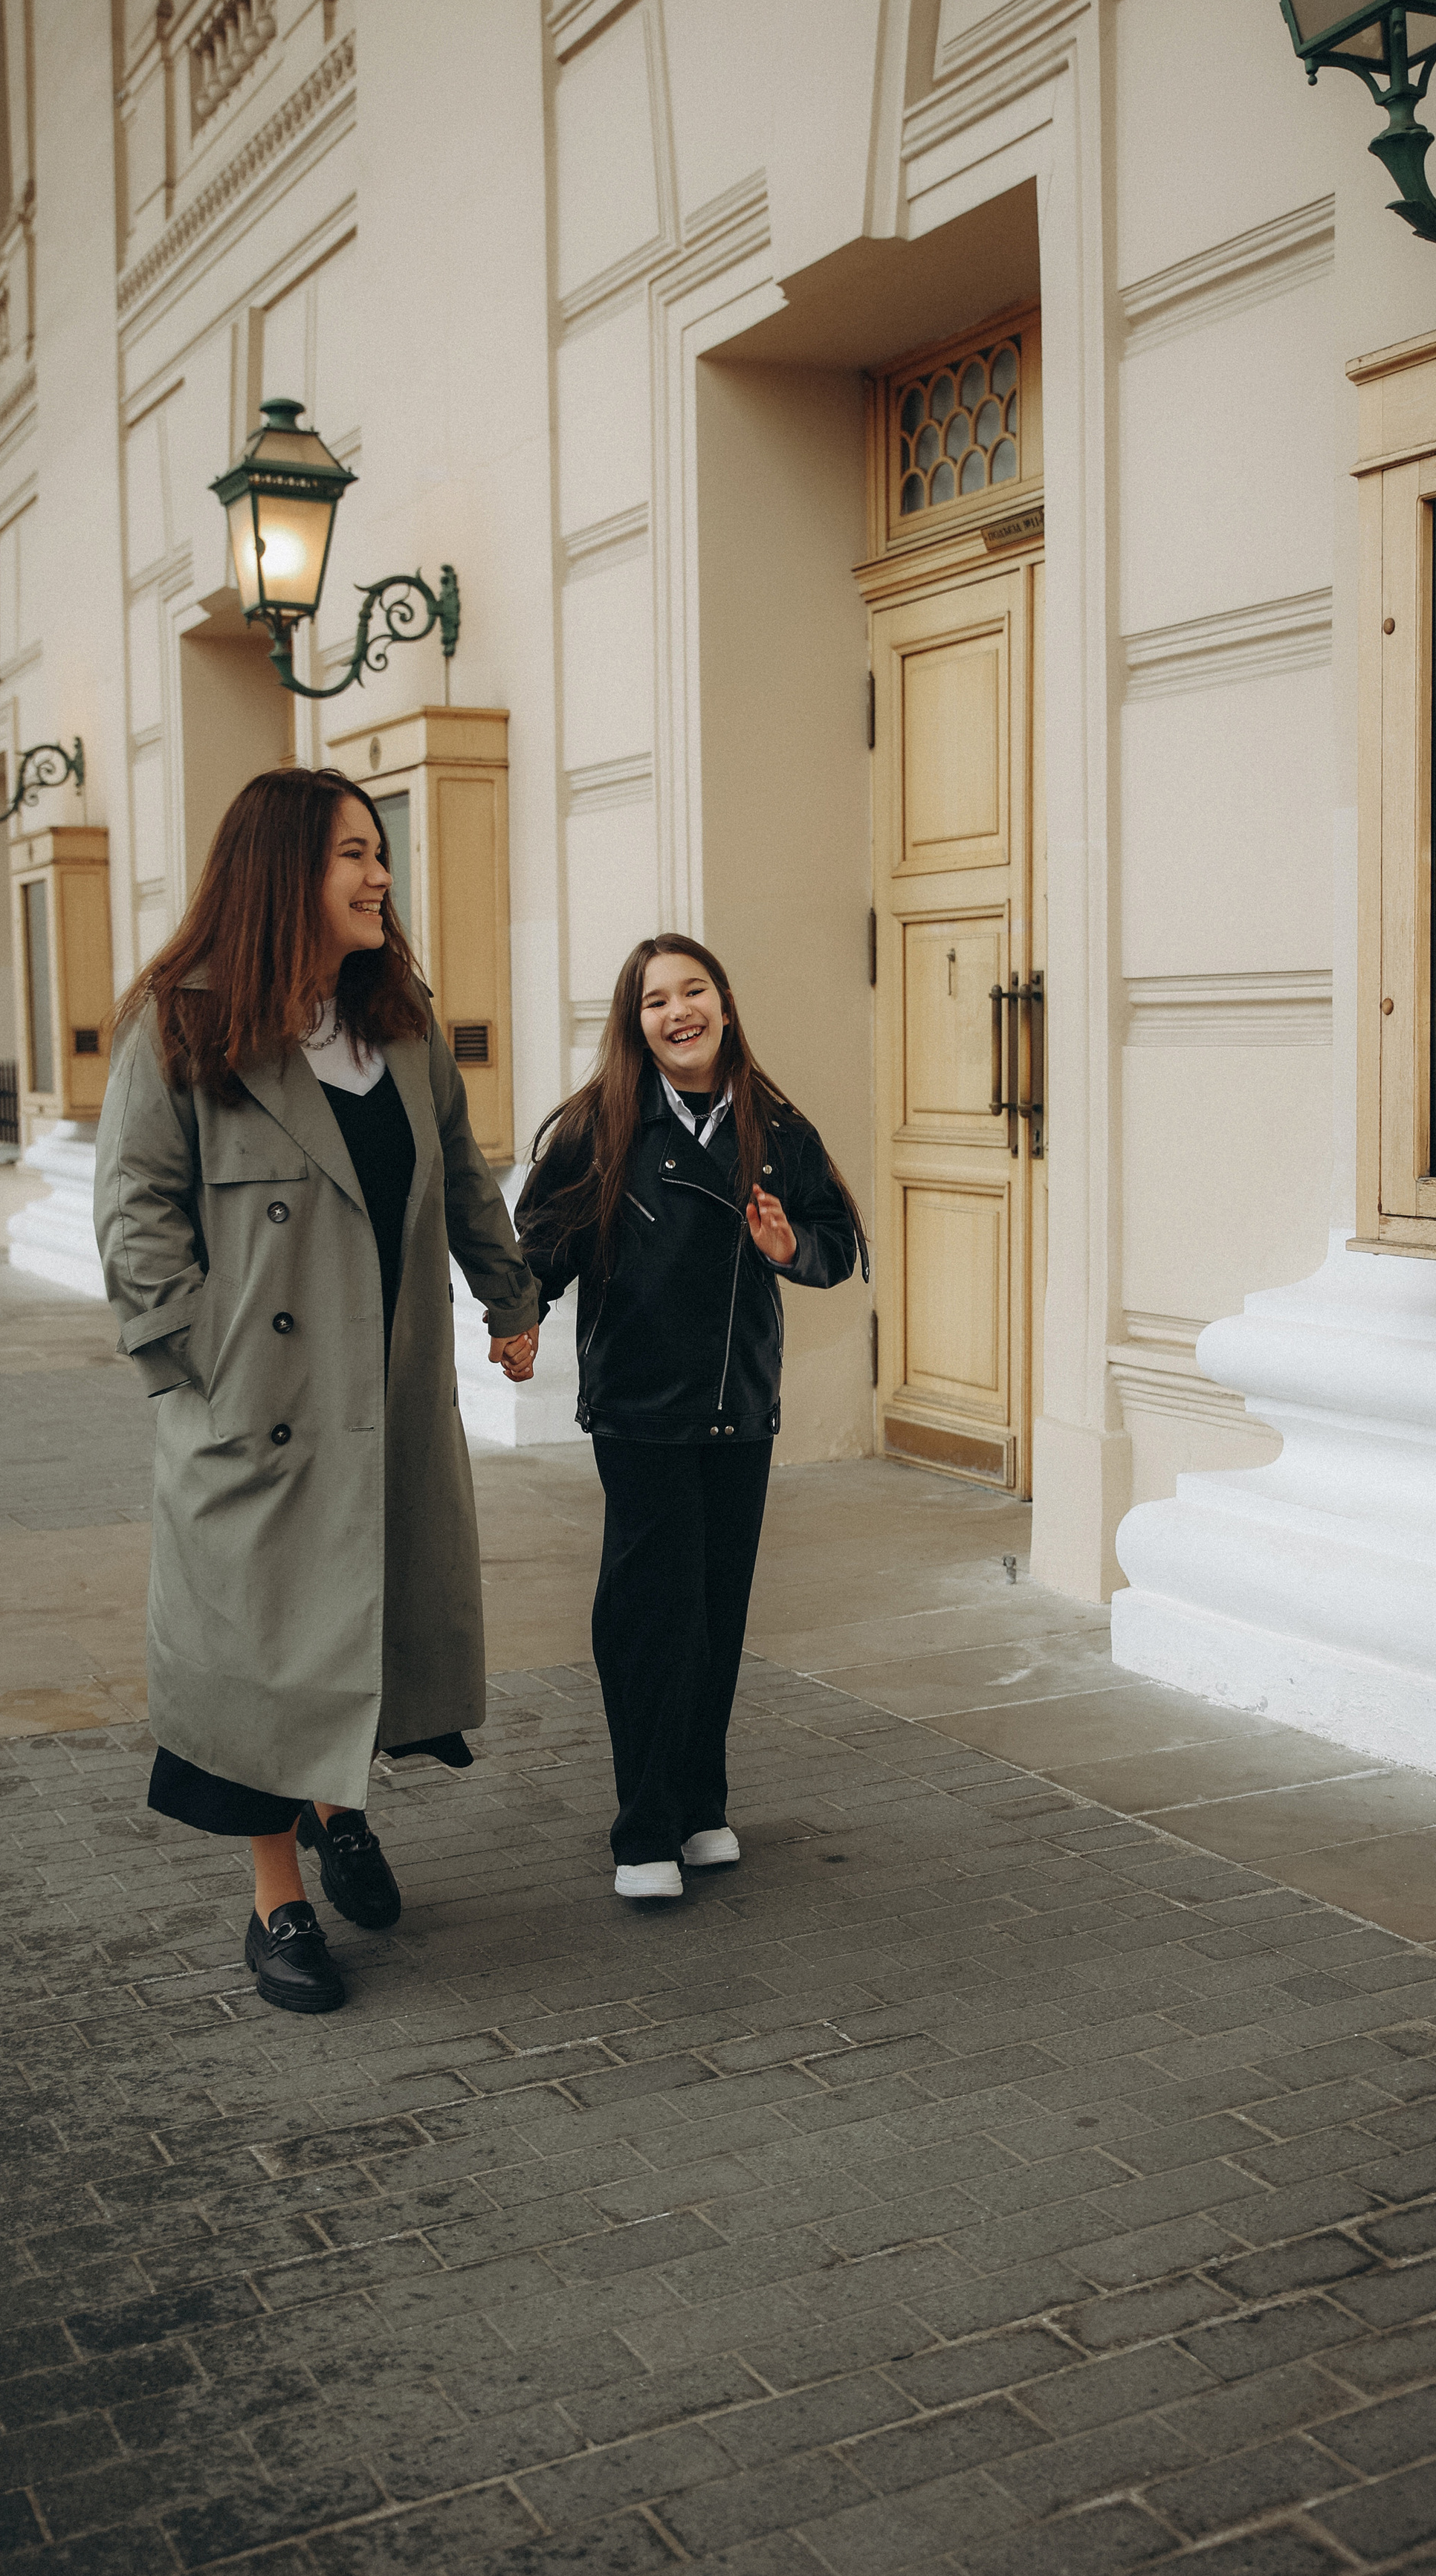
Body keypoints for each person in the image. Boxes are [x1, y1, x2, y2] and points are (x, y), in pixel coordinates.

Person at [94, 767, 540, 2015]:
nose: (379, 875)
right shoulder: (181, 1029)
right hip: (258, 1412)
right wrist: (205, 1371)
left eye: (379, 853)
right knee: (258, 1660)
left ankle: (346, 1811)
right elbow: (135, 1222)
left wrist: (509, 1301)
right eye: (353, 853)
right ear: (285, 870)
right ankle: (274, 1902)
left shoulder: (397, 1022)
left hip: (384, 1401)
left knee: (362, 1622)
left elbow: (461, 1171)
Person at [516, 934, 865, 1901]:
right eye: (656, 999)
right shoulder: (598, 1125)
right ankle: (643, 1830)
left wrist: (793, 1245)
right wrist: (518, 1323)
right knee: (649, 1619)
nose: (680, 1012)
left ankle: (702, 1804)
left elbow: (839, 1243)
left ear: (723, 1001)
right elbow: (539, 1245)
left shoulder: (776, 1125)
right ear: (635, 1023)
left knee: (715, 1613)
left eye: (695, 990)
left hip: (739, 1408)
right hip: (638, 1412)